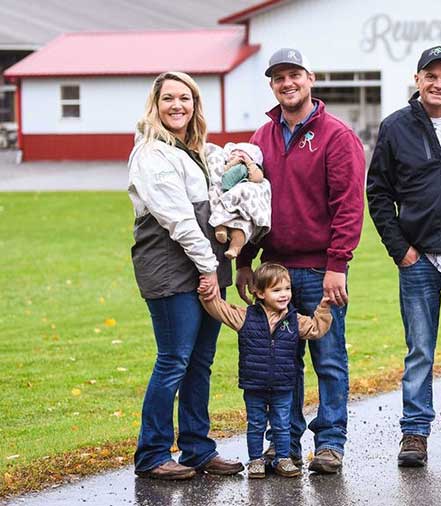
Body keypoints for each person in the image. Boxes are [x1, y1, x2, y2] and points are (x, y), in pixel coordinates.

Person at [236, 48, 366, 474]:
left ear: (310, 78)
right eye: (278, 78)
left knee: (328, 359)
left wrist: (337, 265)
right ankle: (284, 444)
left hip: (317, 271)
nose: (287, 83)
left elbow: (348, 205)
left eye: (294, 75)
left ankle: (329, 443)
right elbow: (250, 205)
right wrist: (245, 263)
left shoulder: (336, 135)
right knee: (280, 366)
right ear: (272, 85)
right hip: (273, 271)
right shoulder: (261, 138)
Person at [367, 46, 441, 467]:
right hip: (418, 260)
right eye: (430, 75)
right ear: (417, 79)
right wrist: (401, 250)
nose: (438, 83)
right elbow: (378, 191)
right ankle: (414, 433)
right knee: (419, 348)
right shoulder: (396, 126)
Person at [127, 71, 244, 480]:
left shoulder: (196, 151)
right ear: (155, 105)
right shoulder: (151, 154)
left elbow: (232, 175)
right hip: (171, 269)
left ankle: (197, 448)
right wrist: (210, 270)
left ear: (195, 105)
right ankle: (153, 454)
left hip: (205, 267)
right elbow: (179, 222)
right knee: (174, 360)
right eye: (168, 99)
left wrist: (245, 164)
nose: (177, 106)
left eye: (186, 98)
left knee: (200, 362)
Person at [199, 262, 333, 478]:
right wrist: (208, 295)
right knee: (256, 425)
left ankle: (283, 459)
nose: (284, 295)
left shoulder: (294, 320)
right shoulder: (246, 317)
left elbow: (317, 329)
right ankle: (256, 461)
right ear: (259, 292)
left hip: (283, 385)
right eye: (277, 290)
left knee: (282, 424)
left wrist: (324, 308)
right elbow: (221, 310)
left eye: (287, 289)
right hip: (254, 384)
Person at [208, 142, 271, 259]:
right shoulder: (229, 165)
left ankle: (235, 248)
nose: (234, 155)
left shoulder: (249, 169)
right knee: (218, 210)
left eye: (239, 154)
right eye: (233, 153)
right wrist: (232, 163)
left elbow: (257, 178)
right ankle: (220, 229)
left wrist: (249, 163)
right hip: (225, 197)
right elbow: (220, 175)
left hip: (240, 204)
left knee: (241, 227)